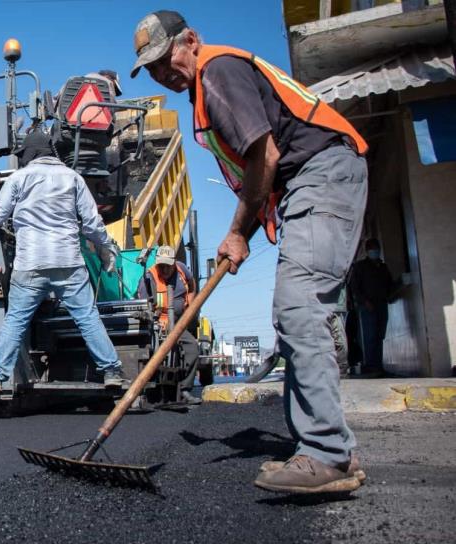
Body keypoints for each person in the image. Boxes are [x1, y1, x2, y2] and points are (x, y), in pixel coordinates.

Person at [130, 10, 368, 494]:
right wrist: (242, 234)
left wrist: (238, 231)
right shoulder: (207, 90)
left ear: (191, 40)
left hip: (321, 175)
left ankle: (327, 455)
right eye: (151, 68)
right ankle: (322, 449)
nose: (161, 73)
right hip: (307, 182)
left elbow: (266, 158)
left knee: (299, 308)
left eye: (164, 58)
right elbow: (266, 176)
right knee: (293, 311)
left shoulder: (217, 71)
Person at [0, 129, 124, 391]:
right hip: (68, 262)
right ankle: (111, 371)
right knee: (87, 317)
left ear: (30, 153)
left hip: (30, 263)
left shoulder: (19, 178)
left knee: (16, 321)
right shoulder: (72, 178)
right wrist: (105, 246)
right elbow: (91, 223)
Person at [136, 245, 200, 396]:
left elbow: (191, 286)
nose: (164, 270)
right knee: (150, 351)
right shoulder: (149, 278)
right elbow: (144, 306)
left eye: (168, 266)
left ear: (174, 263)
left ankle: (185, 389)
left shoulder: (182, 270)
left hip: (178, 323)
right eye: (161, 266)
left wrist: (190, 306)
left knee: (192, 348)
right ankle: (149, 388)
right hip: (157, 324)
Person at [350, 239, 396, 372]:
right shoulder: (360, 267)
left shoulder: (383, 267)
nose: (374, 251)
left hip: (381, 304)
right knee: (369, 336)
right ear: (367, 250)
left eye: (376, 248)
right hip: (367, 306)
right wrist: (364, 302)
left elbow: (389, 284)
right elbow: (355, 287)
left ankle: (378, 365)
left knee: (380, 335)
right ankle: (371, 365)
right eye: (372, 248)